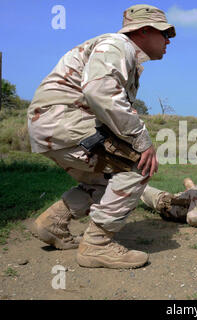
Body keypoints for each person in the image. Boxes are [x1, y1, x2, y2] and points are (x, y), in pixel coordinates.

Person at [28, 4, 175, 269]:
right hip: (64, 120)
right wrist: (142, 142)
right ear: (143, 31)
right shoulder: (118, 46)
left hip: (55, 123)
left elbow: (113, 103)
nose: (168, 41)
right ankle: (97, 246)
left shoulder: (121, 53)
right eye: (165, 34)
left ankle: (54, 223)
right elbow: (100, 93)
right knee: (136, 167)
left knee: (107, 178)